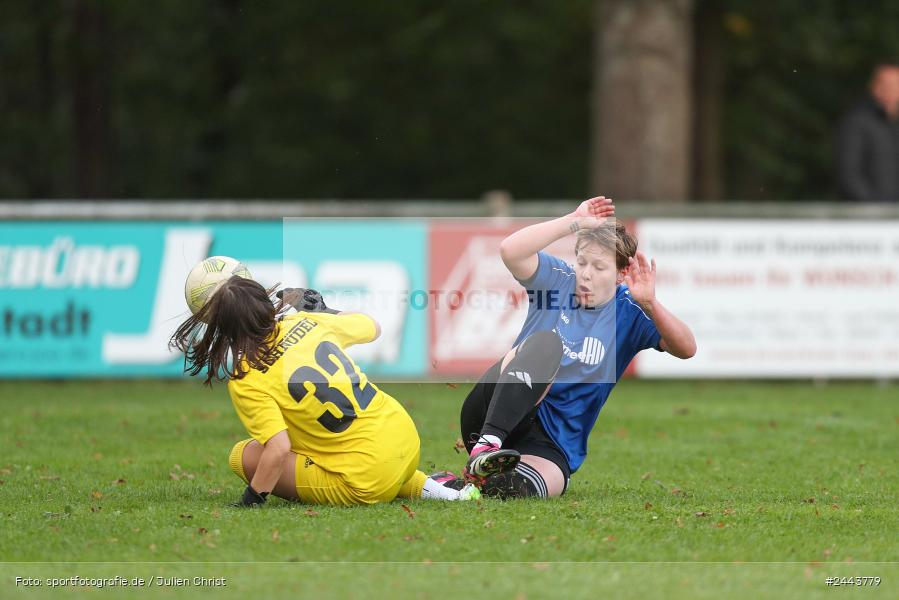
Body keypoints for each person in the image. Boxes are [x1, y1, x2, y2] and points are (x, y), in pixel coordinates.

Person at [434, 197, 697, 499]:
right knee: (548, 345)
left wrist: (650, 303)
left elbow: (687, 348)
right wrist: (574, 220)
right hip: (492, 414)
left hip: (552, 442)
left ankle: (446, 486)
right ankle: (489, 443)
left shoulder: (630, 311)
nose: (585, 273)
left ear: (622, 274)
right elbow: (510, 250)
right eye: (582, 261)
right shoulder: (557, 280)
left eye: (599, 267)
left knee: (518, 491)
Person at [170, 279, 479, 507]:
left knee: (244, 456)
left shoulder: (247, 377)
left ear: (220, 328)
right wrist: (328, 312)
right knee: (343, 444)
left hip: (366, 477)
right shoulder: (306, 321)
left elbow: (278, 450)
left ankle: (405, 484)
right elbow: (373, 326)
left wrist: (250, 501)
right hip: (404, 437)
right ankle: (439, 491)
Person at [837, 62, 899, 202]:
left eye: (896, 85)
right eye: (887, 85)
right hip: (868, 217)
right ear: (875, 87)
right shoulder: (856, 122)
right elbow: (849, 174)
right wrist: (873, 208)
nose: (892, 90)